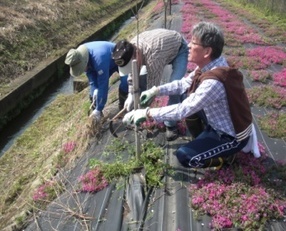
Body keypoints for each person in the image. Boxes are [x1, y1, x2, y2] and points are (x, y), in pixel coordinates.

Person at [122, 22, 259, 169]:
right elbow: (182, 84)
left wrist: (147, 113)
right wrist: (156, 90)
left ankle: (225, 158)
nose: (188, 46)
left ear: (207, 51)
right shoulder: (209, 67)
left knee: (186, 156)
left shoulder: (213, 82)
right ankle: (204, 140)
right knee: (186, 96)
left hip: (229, 135)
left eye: (193, 43)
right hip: (217, 122)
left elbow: (183, 110)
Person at [112, 28, 189, 141]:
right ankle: (181, 98)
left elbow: (152, 90)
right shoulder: (129, 47)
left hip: (179, 48)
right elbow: (133, 73)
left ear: (136, 55)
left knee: (174, 87)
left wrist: (142, 112)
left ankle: (171, 125)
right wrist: (130, 94)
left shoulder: (153, 57)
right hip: (163, 48)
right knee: (141, 79)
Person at [65, 41, 129, 122]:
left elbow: (103, 84)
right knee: (93, 94)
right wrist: (95, 91)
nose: (83, 69)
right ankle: (98, 118)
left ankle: (123, 108)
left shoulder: (98, 58)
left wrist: (99, 108)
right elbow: (92, 79)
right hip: (105, 64)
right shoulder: (80, 57)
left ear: (84, 62)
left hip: (119, 58)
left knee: (125, 83)